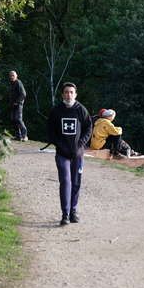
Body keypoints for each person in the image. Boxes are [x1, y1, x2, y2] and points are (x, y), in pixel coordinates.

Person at [47, 82, 92, 226]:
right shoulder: (56, 110)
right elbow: (50, 131)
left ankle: (73, 211)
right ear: (62, 94)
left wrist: (80, 145)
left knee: (76, 182)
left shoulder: (81, 110)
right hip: (62, 154)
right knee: (66, 182)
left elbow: (88, 128)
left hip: (77, 154)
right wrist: (59, 145)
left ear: (75, 94)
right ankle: (65, 214)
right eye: (66, 92)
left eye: (71, 92)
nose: (69, 95)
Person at [8, 70, 28, 141]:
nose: (11, 77)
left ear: (16, 76)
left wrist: (17, 102)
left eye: (13, 75)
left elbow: (23, 94)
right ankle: (18, 136)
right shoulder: (12, 84)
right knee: (13, 120)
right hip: (12, 105)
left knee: (18, 119)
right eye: (10, 75)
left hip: (18, 105)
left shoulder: (18, 82)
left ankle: (24, 136)